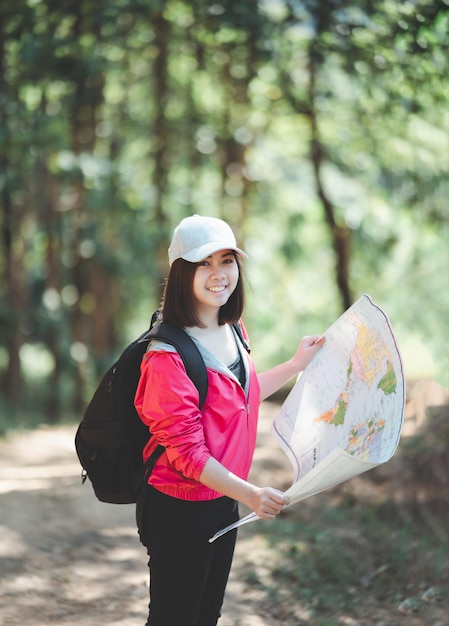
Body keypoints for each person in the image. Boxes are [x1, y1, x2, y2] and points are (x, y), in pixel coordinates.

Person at [134, 214, 325, 626]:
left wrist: (295, 364)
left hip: (222, 498)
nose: (218, 274)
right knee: (174, 617)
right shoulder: (166, 356)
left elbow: (245, 395)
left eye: (227, 260)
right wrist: (252, 493)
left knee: (206, 615)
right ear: (182, 271)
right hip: (179, 506)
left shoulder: (233, 327)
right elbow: (187, 455)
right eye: (204, 263)